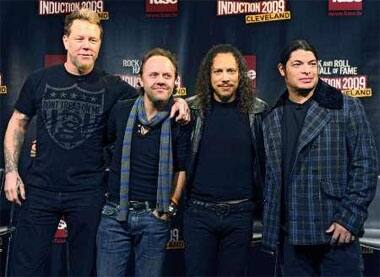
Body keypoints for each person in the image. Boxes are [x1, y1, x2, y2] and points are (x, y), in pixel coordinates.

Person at [3, 9, 189, 276]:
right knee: (26, 267)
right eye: (80, 39)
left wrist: (180, 101)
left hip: (88, 193)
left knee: (84, 269)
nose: (86, 46)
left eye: (93, 40)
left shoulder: (113, 86)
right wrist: (11, 172)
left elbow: (153, 94)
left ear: (100, 44)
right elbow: (18, 122)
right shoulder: (39, 79)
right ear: (65, 40)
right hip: (40, 188)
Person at [262, 39, 378, 276]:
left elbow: (365, 166)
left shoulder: (345, 107)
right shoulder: (272, 118)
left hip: (335, 235)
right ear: (282, 70)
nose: (307, 70)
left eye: (312, 63)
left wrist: (349, 219)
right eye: (298, 64)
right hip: (291, 238)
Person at [96, 48, 190, 277]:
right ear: (140, 79)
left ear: (176, 81)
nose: (160, 81)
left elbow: (181, 168)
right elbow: (100, 146)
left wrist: (172, 206)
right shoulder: (121, 110)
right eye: (154, 75)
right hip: (114, 217)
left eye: (167, 76)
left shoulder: (180, 118)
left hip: (154, 218)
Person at [184, 44, 267, 276]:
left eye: (231, 71)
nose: (225, 78)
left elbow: (266, 166)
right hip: (198, 214)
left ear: (241, 75)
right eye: (218, 71)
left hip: (240, 214)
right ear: (208, 76)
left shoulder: (258, 112)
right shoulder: (190, 110)